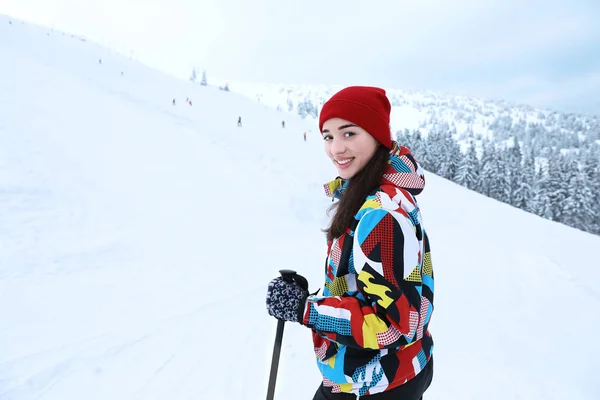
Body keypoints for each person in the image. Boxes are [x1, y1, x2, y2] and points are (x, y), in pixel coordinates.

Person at [265, 86, 434, 399]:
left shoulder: (380, 213)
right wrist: (316, 299)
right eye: (328, 137)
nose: (336, 149)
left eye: (349, 133)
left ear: (377, 136)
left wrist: (305, 309)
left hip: (373, 382)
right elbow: (369, 286)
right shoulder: (373, 194)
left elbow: (392, 322)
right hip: (385, 370)